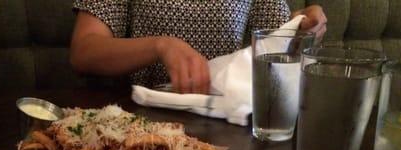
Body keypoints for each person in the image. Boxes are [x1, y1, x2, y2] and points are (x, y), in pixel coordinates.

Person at [70, 1, 327, 94]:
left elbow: (273, 44)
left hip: (227, 126)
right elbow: (84, 51)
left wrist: (300, 25)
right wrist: (160, 45)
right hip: (142, 121)